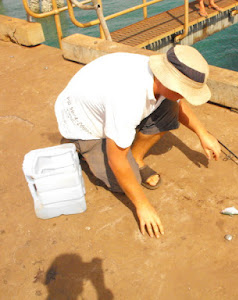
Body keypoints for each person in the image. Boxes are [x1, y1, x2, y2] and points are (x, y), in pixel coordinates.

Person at [55, 45, 221, 238]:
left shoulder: (157, 76)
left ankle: (135, 158)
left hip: (106, 108)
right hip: (84, 127)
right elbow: (116, 159)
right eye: (184, 90)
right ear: (169, 81)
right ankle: (81, 149)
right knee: (125, 181)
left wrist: (203, 133)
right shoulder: (128, 99)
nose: (185, 96)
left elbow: (176, 102)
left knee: (169, 107)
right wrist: (143, 206)